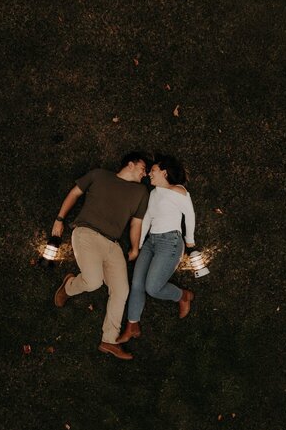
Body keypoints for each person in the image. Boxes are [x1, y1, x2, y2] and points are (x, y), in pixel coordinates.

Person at [51, 152, 150, 360]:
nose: (145, 173)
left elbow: (136, 223)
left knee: (122, 290)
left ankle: (109, 340)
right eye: (142, 168)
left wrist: (134, 248)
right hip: (86, 233)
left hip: (112, 246)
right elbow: (75, 193)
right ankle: (68, 287)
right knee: (93, 281)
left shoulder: (141, 192)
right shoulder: (99, 175)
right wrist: (60, 219)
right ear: (130, 164)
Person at [117, 155, 196, 344]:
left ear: (164, 172)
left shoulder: (179, 191)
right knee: (137, 284)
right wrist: (139, 246)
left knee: (152, 288)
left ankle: (183, 296)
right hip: (151, 243)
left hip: (170, 242)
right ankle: (132, 325)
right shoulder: (152, 194)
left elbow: (190, 215)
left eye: (152, 170)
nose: (149, 174)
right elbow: (147, 220)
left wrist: (190, 241)